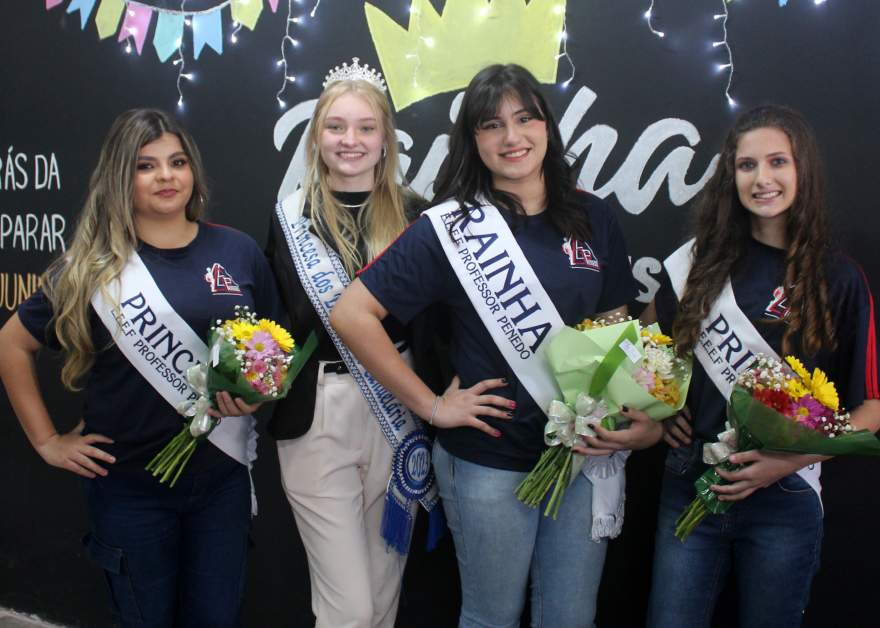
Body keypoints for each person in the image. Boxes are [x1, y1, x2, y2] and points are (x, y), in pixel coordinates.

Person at [330, 63, 662, 628]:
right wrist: (432, 405)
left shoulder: (593, 216)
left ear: (547, 127)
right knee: (492, 618)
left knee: (571, 617)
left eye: (524, 119)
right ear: (473, 140)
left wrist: (642, 419)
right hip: (488, 462)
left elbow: (614, 328)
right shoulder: (452, 228)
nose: (512, 138)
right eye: (491, 125)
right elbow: (351, 313)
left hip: (581, 457)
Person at [0, 108, 281, 627]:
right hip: (129, 487)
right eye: (146, 166)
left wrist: (258, 393)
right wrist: (46, 441)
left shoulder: (236, 250)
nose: (166, 176)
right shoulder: (93, 266)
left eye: (177, 162)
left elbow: (273, 351)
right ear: (120, 178)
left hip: (220, 483)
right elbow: (11, 344)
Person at [646, 104, 880, 628]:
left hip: (785, 498)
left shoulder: (838, 279)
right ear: (731, 176)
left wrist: (789, 460)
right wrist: (660, 406)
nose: (762, 178)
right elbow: (652, 345)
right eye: (746, 165)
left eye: (778, 162)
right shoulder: (700, 262)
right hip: (692, 479)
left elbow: (873, 410)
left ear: (803, 171)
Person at [265, 58, 442, 628]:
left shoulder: (417, 214)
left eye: (366, 127)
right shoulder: (290, 217)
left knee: (384, 595)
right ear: (316, 136)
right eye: (336, 127)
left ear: (387, 139)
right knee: (350, 608)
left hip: (399, 404)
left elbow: (440, 320)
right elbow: (279, 320)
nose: (351, 140)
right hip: (318, 411)